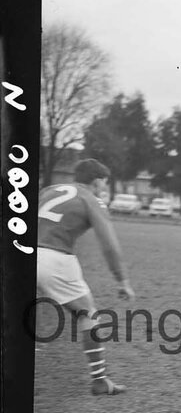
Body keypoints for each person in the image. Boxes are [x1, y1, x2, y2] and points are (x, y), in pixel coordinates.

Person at [35, 158, 136, 395]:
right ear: (98, 180)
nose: (103, 187)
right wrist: (122, 281)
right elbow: (109, 245)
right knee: (87, 314)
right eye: (104, 182)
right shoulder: (91, 199)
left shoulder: (48, 190)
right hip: (55, 258)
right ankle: (99, 380)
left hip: (20, 251)